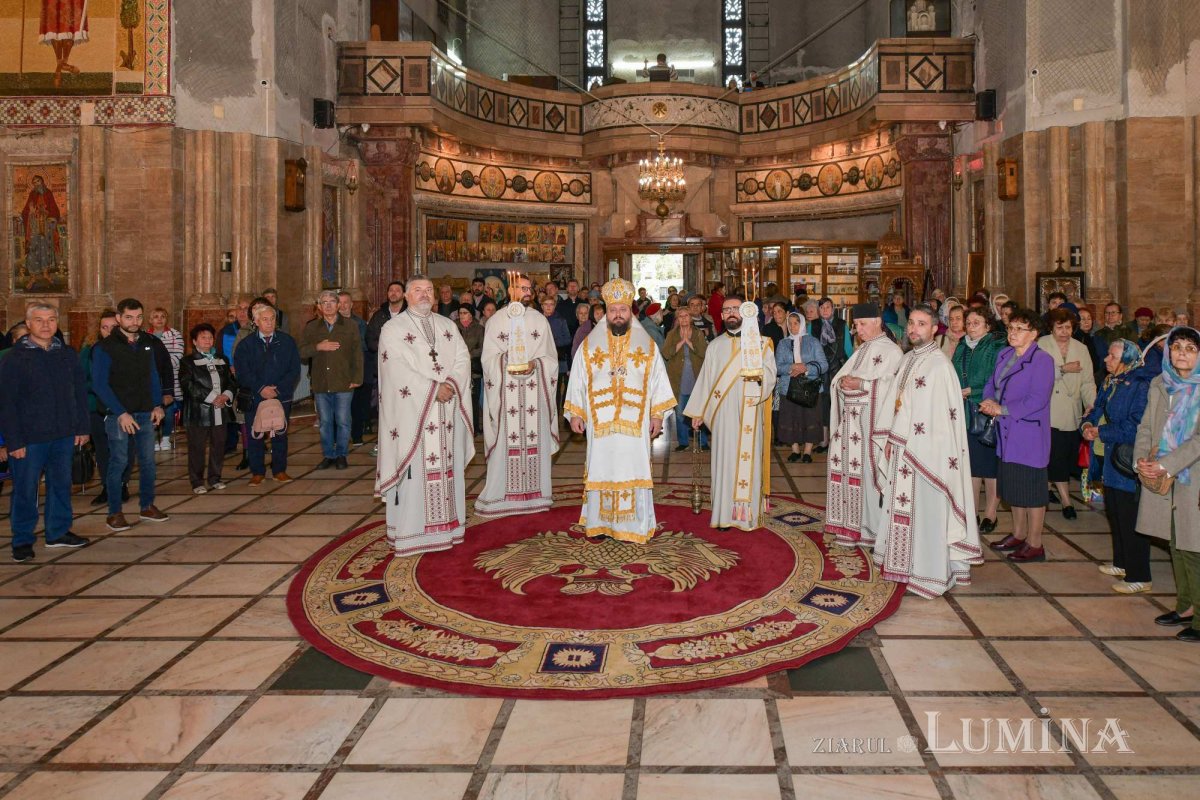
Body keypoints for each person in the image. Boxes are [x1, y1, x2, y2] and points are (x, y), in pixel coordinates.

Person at [871, 305, 983, 596]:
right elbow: (895, 404)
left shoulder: (939, 366)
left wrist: (912, 443)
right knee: (904, 511)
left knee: (927, 514)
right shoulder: (908, 359)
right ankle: (903, 567)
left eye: (921, 324)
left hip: (927, 457)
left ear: (935, 329)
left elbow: (941, 420)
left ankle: (928, 573)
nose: (913, 329)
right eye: (911, 323)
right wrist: (889, 440)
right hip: (902, 450)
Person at [565, 279, 675, 542]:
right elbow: (577, 378)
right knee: (601, 468)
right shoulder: (589, 346)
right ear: (606, 310)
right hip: (600, 424)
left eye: (622, 310)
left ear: (630, 311)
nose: (617, 315)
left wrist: (657, 415)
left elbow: (659, 380)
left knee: (632, 469)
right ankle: (601, 524)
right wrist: (576, 412)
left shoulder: (646, 345)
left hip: (633, 426)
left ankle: (635, 526)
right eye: (613, 309)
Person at [376, 276, 476, 555]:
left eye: (429, 290)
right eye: (418, 290)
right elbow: (395, 369)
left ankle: (448, 529)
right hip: (413, 415)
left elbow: (462, 358)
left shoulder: (447, 325)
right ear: (406, 296)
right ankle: (411, 533)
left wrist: (451, 384)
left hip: (447, 414)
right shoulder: (392, 328)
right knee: (415, 474)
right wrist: (433, 388)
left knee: (447, 469)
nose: (425, 295)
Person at [0, 304, 90, 561]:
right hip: (29, 439)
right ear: (28, 324)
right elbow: (7, 404)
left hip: (63, 433)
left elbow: (80, 394)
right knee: (25, 491)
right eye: (39, 320)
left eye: (51, 320)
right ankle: (22, 540)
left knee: (61, 485)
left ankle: (58, 532)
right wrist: (13, 441)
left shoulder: (67, 354)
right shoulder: (14, 359)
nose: (46, 325)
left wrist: (82, 427)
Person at [1134, 326, 1200, 641]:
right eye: (1176, 347)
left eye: (1190, 347)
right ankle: (1185, 606)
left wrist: (1165, 464)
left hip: (1192, 477)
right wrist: (1141, 462)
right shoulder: (1161, 383)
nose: (1182, 353)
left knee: (1195, 547)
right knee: (1176, 543)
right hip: (1163, 475)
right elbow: (1146, 426)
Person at [476, 275, 560, 518]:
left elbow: (551, 359)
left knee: (536, 441)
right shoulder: (496, 322)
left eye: (528, 288)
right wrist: (507, 360)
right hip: (506, 394)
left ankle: (537, 496)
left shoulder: (539, 320)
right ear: (510, 290)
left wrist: (536, 364)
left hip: (535, 393)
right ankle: (500, 496)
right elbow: (487, 360)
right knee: (506, 442)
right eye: (521, 288)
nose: (526, 292)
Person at [825, 304, 903, 546]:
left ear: (878, 321)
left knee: (870, 477)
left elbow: (892, 388)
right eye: (856, 325)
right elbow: (839, 378)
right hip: (852, 427)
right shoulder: (864, 349)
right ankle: (850, 527)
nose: (857, 329)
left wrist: (861, 384)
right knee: (850, 474)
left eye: (861, 324)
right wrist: (842, 384)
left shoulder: (892, 352)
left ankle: (871, 529)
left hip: (872, 427)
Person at [982, 308, 1056, 562]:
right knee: (1013, 486)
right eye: (1010, 328)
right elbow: (992, 383)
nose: (1012, 333)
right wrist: (989, 400)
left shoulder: (1042, 360)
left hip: (1028, 434)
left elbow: (1037, 399)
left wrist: (1002, 409)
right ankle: (1018, 534)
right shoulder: (1004, 354)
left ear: (1033, 334)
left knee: (1032, 490)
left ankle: (1035, 543)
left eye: (1019, 329)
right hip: (1006, 432)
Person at [91, 298, 169, 532]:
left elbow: (153, 375)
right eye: (129, 317)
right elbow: (99, 385)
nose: (134, 322)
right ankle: (114, 512)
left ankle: (147, 505)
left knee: (148, 462)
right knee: (119, 462)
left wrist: (157, 404)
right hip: (118, 415)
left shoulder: (148, 341)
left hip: (145, 411)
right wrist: (120, 412)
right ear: (118, 318)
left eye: (138, 317)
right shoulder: (105, 347)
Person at [1083, 339, 1152, 592]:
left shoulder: (1140, 385)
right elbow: (1096, 407)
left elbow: (1135, 425)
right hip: (1106, 456)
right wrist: (1088, 425)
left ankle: (1139, 576)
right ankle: (1121, 563)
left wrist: (1101, 431)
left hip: (1125, 460)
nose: (1106, 360)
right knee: (1114, 512)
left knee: (1129, 517)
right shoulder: (1110, 381)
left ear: (1127, 360)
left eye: (1112, 356)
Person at [1038, 308, 1097, 519]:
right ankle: (1066, 501)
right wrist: (1063, 368)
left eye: (1068, 327)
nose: (1064, 331)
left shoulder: (1081, 348)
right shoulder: (1041, 345)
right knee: (1055, 457)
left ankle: (1045, 491)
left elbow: (1088, 381)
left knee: (1064, 455)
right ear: (1051, 328)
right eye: (1059, 327)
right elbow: (1036, 376)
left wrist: (1092, 404)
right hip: (1048, 410)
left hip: (1072, 412)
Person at [233, 305, 300, 486]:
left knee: (280, 433)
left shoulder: (287, 342)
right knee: (255, 434)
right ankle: (257, 472)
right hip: (255, 396)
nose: (269, 323)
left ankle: (279, 470)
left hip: (280, 396)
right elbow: (242, 372)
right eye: (265, 319)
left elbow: (294, 370)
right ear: (255, 321)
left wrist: (277, 390)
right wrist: (261, 388)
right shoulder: (246, 345)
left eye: (272, 319)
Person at [953, 307, 1005, 533]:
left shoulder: (995, 347)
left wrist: (972, 391)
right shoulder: (962, 346)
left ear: (988, 325)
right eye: (969, 322)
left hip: (986, 411)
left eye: (977, 322)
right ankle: (972, 511)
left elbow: (996, 378)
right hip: (964, 412)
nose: (971, 326)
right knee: (972, 466)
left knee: (990, 468)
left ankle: (991, 514)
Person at [300, 290, 363, 470]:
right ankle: (328, 454)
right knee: (325, 422)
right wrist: (318, 347)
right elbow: (302, 351)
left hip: (344, 381)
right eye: (324, 302)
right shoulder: (312, 327)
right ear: (318, 307)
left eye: (331, 302)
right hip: (321, 383)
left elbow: (357, 354)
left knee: (343, 421)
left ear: (338, 305)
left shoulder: (350, 325)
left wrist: (357, 378)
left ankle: (342, 454)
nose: (328, 305)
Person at [179, 323, 236, 494]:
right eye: (203, 337)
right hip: (199, 412)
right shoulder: (187, 362)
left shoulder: (222, 359)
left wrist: (226, 395)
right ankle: (197, 481)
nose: (207, 340)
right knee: (197, 447)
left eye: (210, 337)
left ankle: (215, 477)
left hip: (221, 410)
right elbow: (188, 385)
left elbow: (231, 382)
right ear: (195, 341)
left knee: (219, 444)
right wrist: (212, 398)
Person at [775, 311, 827, 463]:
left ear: (803, 324)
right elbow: (777, 367)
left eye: (796, 323)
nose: (792, 326)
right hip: (789, 387)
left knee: (809, 418)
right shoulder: (783, 343)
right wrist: (792, 367)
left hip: (809, 386)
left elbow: (823, 365)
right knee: (791, 419)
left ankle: (808, 452)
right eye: (790, 323)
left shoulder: (813, 342)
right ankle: (795, 450)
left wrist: (806, 368)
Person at [664, 307, 709, 452]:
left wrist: (689, 342)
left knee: (699, 410)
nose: (683, 319)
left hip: (696, 377)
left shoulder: (698, 334)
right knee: (680, 412)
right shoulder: (672, 334)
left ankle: (703, 442)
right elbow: (665, 353)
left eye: (686, 316)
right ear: (677, 319)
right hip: (679, 378)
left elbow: (704, 353)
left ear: (691, 318)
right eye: (680, 316)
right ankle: (683, 442)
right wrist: (680, 343)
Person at [811, 297, 851, 453]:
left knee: (837, 406)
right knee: (822, 406)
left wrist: (850, 369)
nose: (825, 310)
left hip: (837, 369)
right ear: (819, 310)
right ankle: (824, 441)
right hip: (820, 371)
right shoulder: (813, 325)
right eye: (822, 308)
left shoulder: (842, 324)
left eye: (828, 307)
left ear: (833, 309)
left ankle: (838, 441)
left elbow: (847, 348)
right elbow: (810, 348)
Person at [147, 308, 183, 451]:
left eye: (162, 316)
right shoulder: (145, 336)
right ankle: (154, 438)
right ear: (150, 320)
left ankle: (166, 437)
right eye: (155, 317)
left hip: (170, 376)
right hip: (151, 378)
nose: (159, 319)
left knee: (168, 409)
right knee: (152, 408)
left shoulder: (175, 335)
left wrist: (162, 366)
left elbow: (178, 355)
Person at [338, 291, 372, 447]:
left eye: (346, 302)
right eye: (341, 302)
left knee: (356, 406)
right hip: (338, 370)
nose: (343, 305)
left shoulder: (360, 323)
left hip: (356, 369)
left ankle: (357, 436)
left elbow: (365, 346)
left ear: (351, 305)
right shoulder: (331, 323)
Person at [456, 305, 484, 428]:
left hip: (474, 370)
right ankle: (460, 426)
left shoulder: (479, 329)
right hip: (457, 369)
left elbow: (483, 347)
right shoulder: (453, 327)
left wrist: (469, 354)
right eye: (460, 313)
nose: (462, 315)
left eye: (465, 313)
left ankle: (474, 427)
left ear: (471, 314)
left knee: (473, 400)